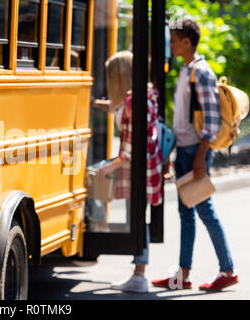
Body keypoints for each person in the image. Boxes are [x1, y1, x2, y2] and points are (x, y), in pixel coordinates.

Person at [152, 19, 239, 291]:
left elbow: (211, 120)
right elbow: (184, 119)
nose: (172, 45)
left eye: (175, 40)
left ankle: (227, 270)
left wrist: (201, 155)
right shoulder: (186, 70)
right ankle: (184, 275)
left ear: (187, 42)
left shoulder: (200, 72)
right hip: (187, 150)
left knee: (204, 211)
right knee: (187, 213)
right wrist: (172, 152)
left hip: (195, 152)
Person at [95, 50, 163, 293]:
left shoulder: (134, 104)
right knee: (137, 217)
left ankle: (139, 275)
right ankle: (138, 272)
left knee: (137, 219)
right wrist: (94, 103)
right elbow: (115, 107)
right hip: (144, 167)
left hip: (136, 169)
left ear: (119, 77)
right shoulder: (139, 97)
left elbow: (131, 149)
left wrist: (107, 168)